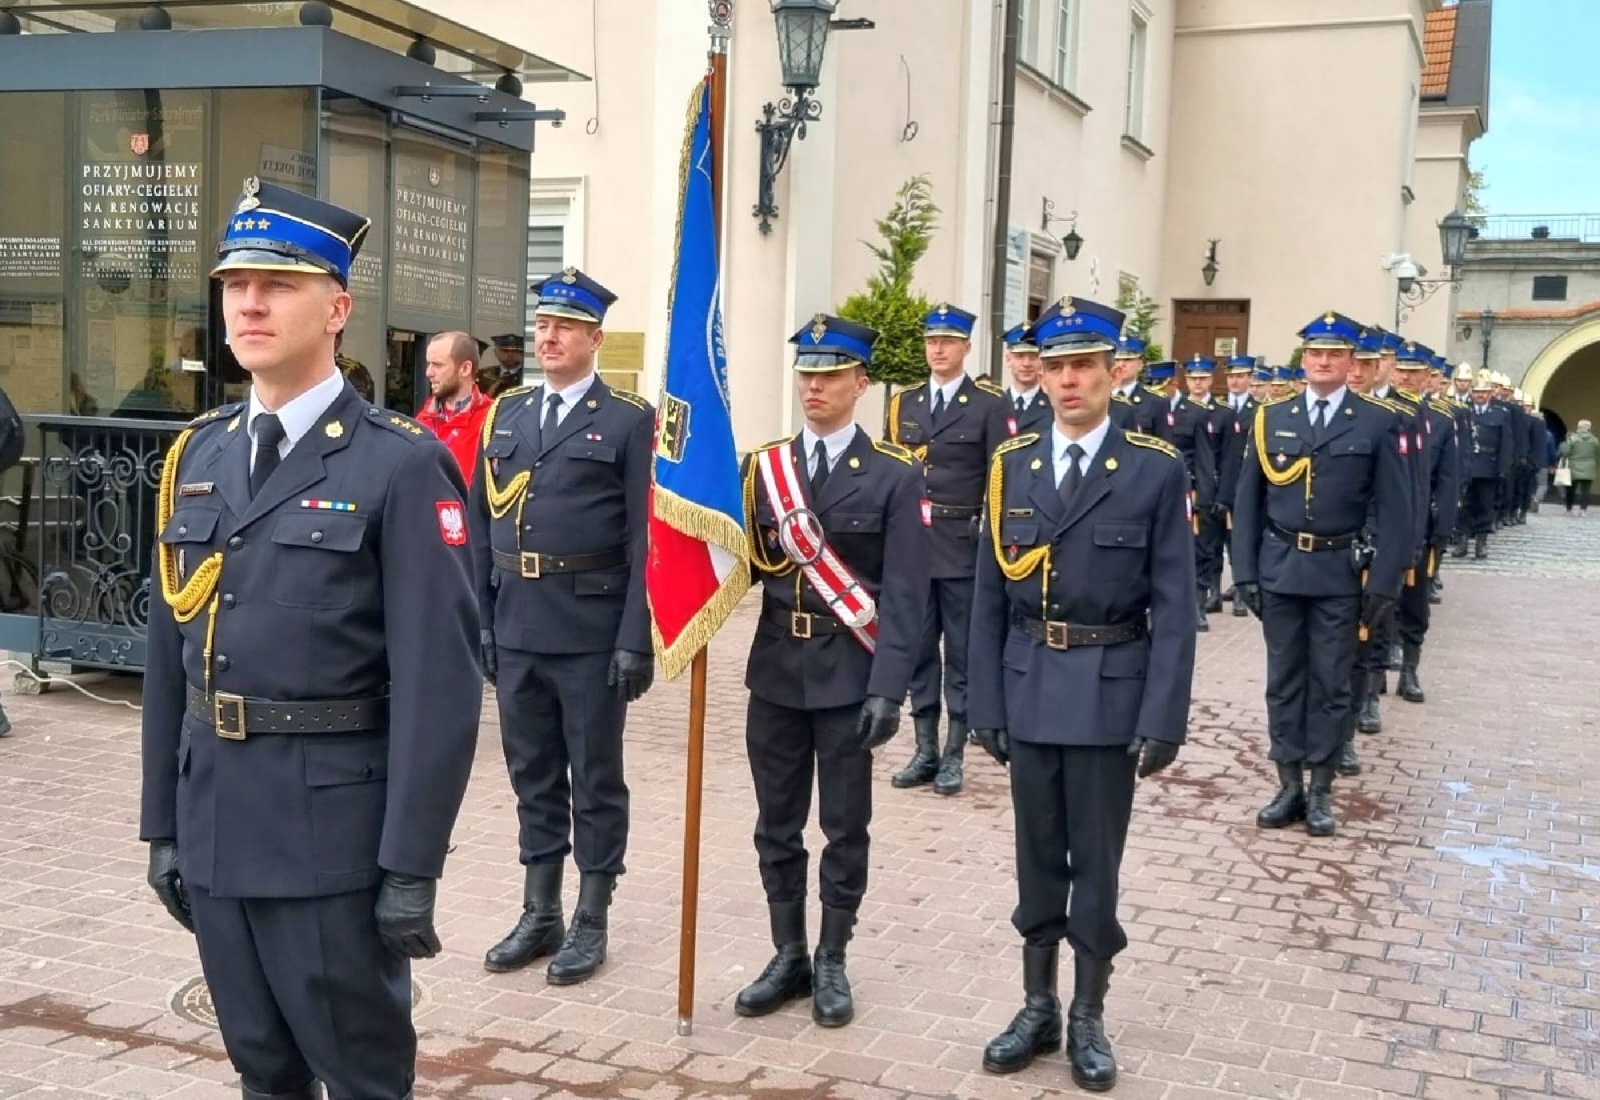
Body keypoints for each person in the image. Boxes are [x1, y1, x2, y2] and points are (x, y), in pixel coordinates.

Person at [139, 178, 481, 1100]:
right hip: (216, 824)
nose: (249, 303)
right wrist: (161, 826)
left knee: (362, 1076)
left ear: (337, 308)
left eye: (277, 285)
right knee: (262, 1071)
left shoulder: (400, 463)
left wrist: (410, 865)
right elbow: (170, 652)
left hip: (331, 836)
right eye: (234, 284)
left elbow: (441, 686)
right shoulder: (199, 454)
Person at [967, 295, 1195, 1088]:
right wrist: (982, 704)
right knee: (1036, 858)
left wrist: (1164, 714)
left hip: (1109, 692)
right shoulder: (1013, 465)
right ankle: (1037, 1004)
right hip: (1030, 686)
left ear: (1111, 372)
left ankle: (1088, 1013)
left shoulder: (1153, 468)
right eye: (1056, 366)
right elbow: (989, 595)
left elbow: (1176, 603)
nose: (1067, 381)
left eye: (1083, 367)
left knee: (1095, 861)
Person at [734, 314, 930, 1028]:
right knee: (775, 824)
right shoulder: (765, 469)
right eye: (806, 373)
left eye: (831, 373)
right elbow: (743, 564)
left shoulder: (895, 475)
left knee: (845, 826)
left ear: (861, 382)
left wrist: (890, 689)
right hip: (777, 670)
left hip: (852, 670)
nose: (814, 385)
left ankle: (833, 955)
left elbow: (908, 595)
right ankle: (788, 952)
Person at [470, 267, 655, 985]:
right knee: (533, 773)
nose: (548, 337)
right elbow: (487, 524)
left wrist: (634, 637)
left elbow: (645, 540)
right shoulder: (507, 414)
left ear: (594, 339)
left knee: (596, 778)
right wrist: (484, 619)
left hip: (589, 626)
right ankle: (539, 909)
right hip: (517, 622)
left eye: (565, 327)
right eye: (543, 325)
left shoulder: (627, 420)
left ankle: (592, 915)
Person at [1232, 311, 1410, 838]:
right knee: (1283, 682)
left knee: (1331, 684)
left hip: (1339, 572)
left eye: (1334, 354)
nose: (1323, 361)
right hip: (1281, 569)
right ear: (1303, 360)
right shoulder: (1271, 418)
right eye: (1314, 353)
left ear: (1351, 361)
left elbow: (1396, 508)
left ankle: (1322, 790)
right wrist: (1245, 572)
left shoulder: (1377, 421)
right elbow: (1250, 502)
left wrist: (1383, 583)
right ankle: (1288, 783)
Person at [885, 303, 1008, 796]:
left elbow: (1000, 477)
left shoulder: (988, 404)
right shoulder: (905, 403)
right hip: (915, 549)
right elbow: (892, 474)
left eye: (948, 342)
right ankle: (925, 749)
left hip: (963, 546)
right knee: (918, 652)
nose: (938, 349)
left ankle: (955, 752)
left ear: (966, 347)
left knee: (961, 654)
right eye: (932, 341)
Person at [1390, 342, 1459, 704]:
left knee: (1415, 603)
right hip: (1387, 526)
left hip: (1422, 523)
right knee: (1381, 603)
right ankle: (1372, 687)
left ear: (1428, 377)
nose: (1406, 377)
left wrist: (1441, 530)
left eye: (1414, 372)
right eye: (1401, 369)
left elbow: (1448, 480)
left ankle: (1410, 669)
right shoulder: (1380, 414)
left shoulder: (1441, 421)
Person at [416, 331, 494, 485]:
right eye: (429, 364)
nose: (428, 373)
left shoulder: (493, 419)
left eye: (437, 365)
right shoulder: (422, 419)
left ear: (465, 369)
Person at [1456, 370, 1514, 558]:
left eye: (1484, 392)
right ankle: (1462, 540)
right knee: (1464, 505)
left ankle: (1481, 542)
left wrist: (1503, 468)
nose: (1480, 395)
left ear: (1490, 394)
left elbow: (1506, 443)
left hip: (1489, 467)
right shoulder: (1463, 410)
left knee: (1486, 505)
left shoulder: (1500, 414)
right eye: (1477, 392)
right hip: (1466, 466)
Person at [1002, 323, 1052, 436]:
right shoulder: (992, 406)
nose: (1026, 364)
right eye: (1019, 356)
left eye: (1034, 356)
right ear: (1008, 360)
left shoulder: (1054, 406)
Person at [1559, 419, 1599, 515]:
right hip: (1589, 467)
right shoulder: (1595, 441)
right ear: (1589, 428)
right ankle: (1583, 510)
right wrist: (1596, 466)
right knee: (1585, 491)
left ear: (1578, 427)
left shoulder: (1572, 439)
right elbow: (1598, 455)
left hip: (1573, 466)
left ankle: (1569, 509)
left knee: (1571, 489)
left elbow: (1565, 452)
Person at [482, 333, 527, 398]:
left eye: (516, 351)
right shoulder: (484, 375)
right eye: (505, 350)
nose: (510, 354)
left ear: (523, 353)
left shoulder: (527, 376)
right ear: (496, 352)